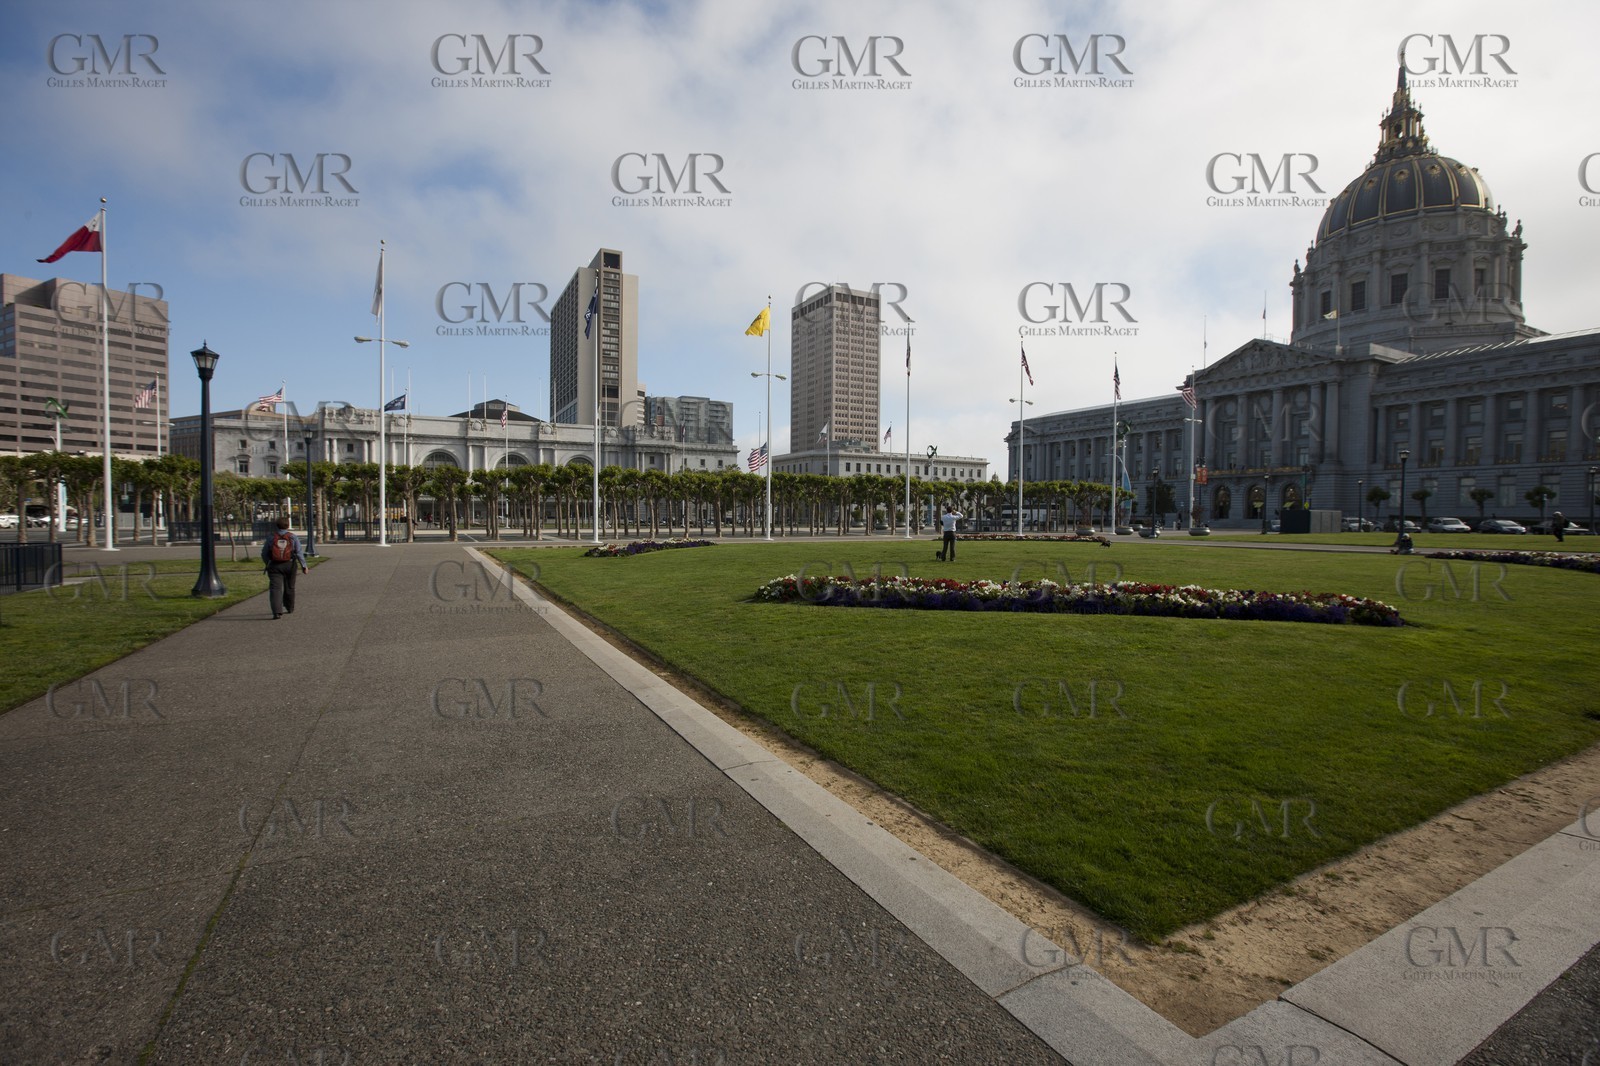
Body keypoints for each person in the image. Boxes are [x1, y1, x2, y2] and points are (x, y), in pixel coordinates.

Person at [261, 516, 309, 619]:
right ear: (287, 525)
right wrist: (304, 565)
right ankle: (289, 606)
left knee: (275, 588)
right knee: (290, 587)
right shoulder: (292, 537)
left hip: (274, 565)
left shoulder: (271, 537)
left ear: (276, 526)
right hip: (290, 564)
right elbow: (299, 552)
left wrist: (268, 563)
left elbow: (264, 553)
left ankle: (277, 611)